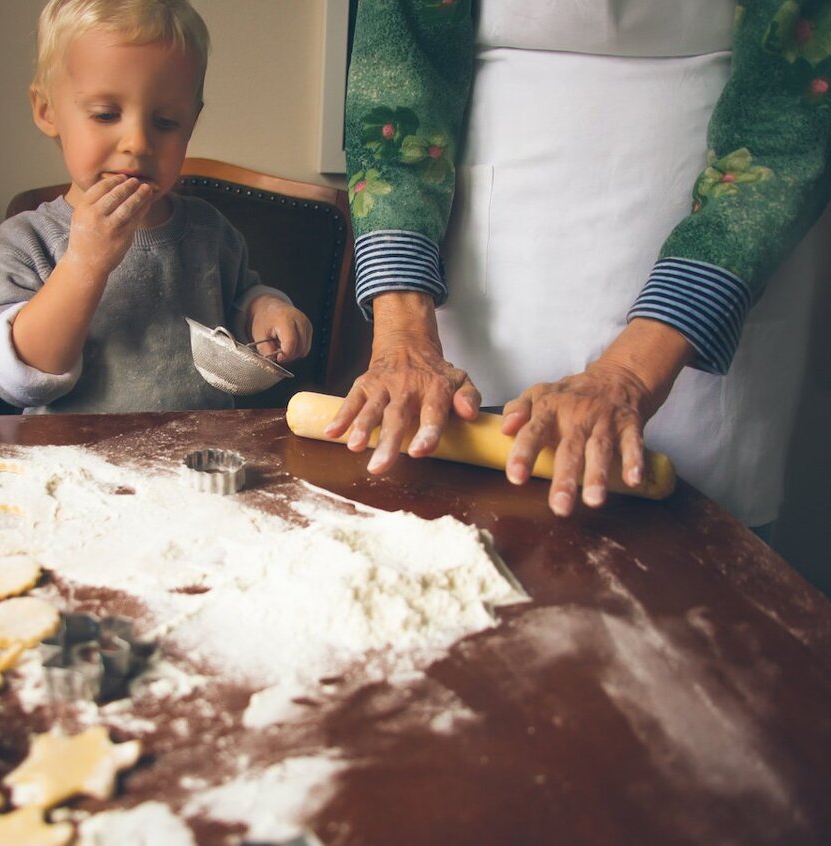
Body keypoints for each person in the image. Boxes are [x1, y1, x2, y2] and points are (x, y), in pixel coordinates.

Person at [330, 0, 831, 528]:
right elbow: (397, 76)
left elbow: (788, 122)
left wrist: (630, 374)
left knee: (686, 554)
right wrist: (403, 335)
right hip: (490, 248)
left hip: (725, 240)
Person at [0, 0, 312, 414]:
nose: (137, 142)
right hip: (76, 468)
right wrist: (84, 264)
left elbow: (240, 302)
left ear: (192, 122)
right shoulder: (26, 242)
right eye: (106, 114)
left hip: (199, 462)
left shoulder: (209, 232)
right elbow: (19, 379)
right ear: (47, 111)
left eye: (165, 122)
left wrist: (266, 309)